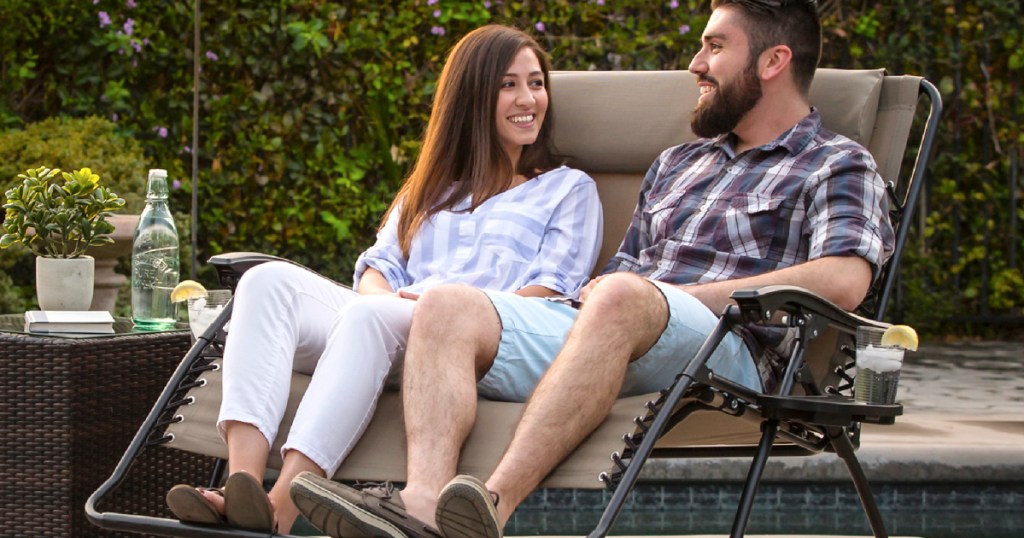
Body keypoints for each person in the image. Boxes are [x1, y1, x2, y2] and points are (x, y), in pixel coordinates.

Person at [289, 1, 897, 538]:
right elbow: (622, 271)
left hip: (734, 350)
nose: (695, 63)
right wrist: (608, 296)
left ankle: (490, 509)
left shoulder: (835, 164)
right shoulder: (678, 164)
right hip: (617, 330)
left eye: (715, 46)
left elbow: (845, 279)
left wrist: (679, 296)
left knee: (623, 297)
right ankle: (422, 508)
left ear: (772, 62)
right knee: (449, 303)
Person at [164, 24, 603, 534]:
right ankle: (240, 487)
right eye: (508, 85)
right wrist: (386, 302)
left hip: (465, 338)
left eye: (536, 82)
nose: (528, 98)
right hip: (382, 320)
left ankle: (281, 506)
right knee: (266, 282)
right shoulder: (431, 189)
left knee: (375, 314)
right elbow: (378, 270)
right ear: (472, 97)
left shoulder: (567, 189)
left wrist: (431, 304)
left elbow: (550, 292)